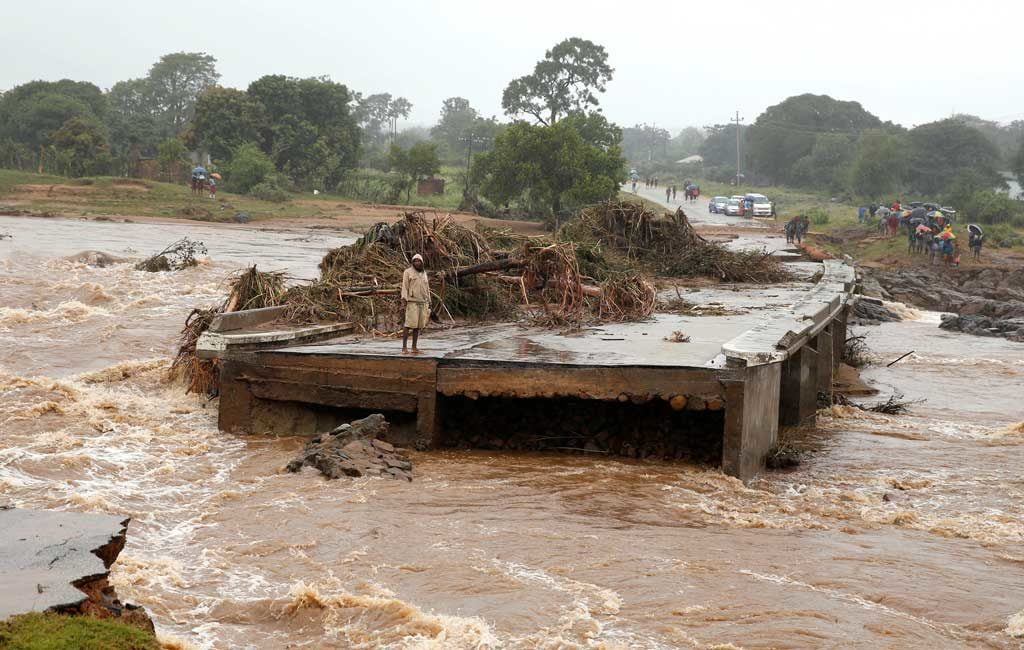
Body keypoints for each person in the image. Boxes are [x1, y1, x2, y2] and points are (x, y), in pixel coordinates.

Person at [401, 254, 430, 353]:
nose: (417, 263)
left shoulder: (424, 273)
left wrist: (429, 301)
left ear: (422, 262)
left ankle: (414, 347)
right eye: (415, 261)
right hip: (412, 302)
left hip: (422, 302)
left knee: (418, 326)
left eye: (419, 261)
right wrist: (404, 300)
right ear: (412, 262)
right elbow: (405, 287)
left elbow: (427, 288)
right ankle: (404, 347)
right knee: (409, 324)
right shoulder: (408, 272)